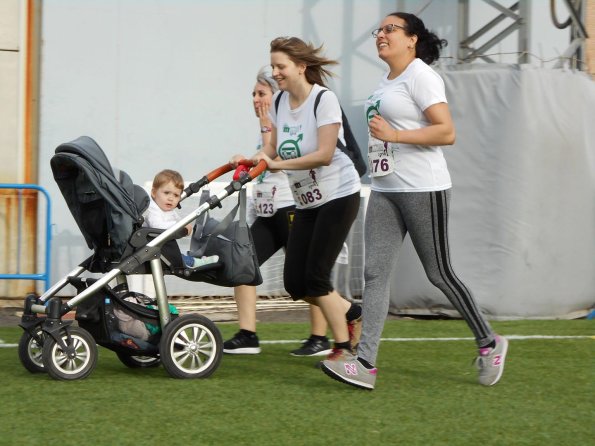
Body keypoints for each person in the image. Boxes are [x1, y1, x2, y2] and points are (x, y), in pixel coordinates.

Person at [321, 12, 509, 390]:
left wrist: (394, 134)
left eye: (391, 29)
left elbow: (447, 131)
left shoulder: (422, 75)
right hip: (387, 189)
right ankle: (365, 364)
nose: (381, 35)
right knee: (374, 275)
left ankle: (490, 342)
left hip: (424, 189)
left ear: (412, 39)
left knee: (439, 273)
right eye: (379, 30)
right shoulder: (385, 81)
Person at [231, 37, 363, 362]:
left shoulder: (323, 100)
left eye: (281, 66)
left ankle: (344, 348)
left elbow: (325, 154)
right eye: (273, 66)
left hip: (338, 195)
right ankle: (353, 312)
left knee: (316, 279)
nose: (275, 72)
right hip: (307, 200)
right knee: (296, 284)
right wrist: (252, 160)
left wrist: (278, 165)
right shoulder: (279, 104)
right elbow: (272, 150)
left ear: (301, 67)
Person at [223, 67, 333, 357]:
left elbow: (282, 154)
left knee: (308, 274)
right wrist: (244, 161)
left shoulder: (286, 121)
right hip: (267, 211)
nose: (256, 99)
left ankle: (321, 335)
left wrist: (263, 133)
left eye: (262, 93)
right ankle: (247, 333)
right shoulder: (268, 126)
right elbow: (263, 157)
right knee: (242, 264)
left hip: (292, 207)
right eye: (253, 94)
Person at [143, 169, 219, 269]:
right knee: (177, 257)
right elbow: (158, 226)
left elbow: (178, 220)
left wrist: (185, 226)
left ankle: (193, 259)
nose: (171, 198)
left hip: (162, 248)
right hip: (151, 249)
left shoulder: (168, 210)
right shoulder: (152, 210)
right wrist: (180, 227)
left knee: (178, 253)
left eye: (176, 195)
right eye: (166, 193)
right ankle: (194, 262)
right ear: (153, 192)